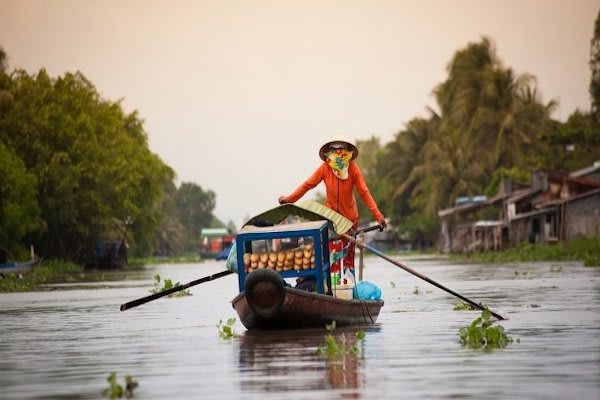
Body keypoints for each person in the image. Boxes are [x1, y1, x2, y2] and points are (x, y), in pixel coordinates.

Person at [278, 135, 386, 290]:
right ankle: (328, 288)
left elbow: (364, 192)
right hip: (330, 220)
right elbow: (308, 185)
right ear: (329, 153)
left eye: (341, 150)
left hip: (349, 220)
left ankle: (348, 288)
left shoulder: (353, 169)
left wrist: (378, 216)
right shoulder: (325, 168)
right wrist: (290, 199)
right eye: (335, 150)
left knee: (346, 256)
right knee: (329, 254)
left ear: (347, 153)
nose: (338, 153)